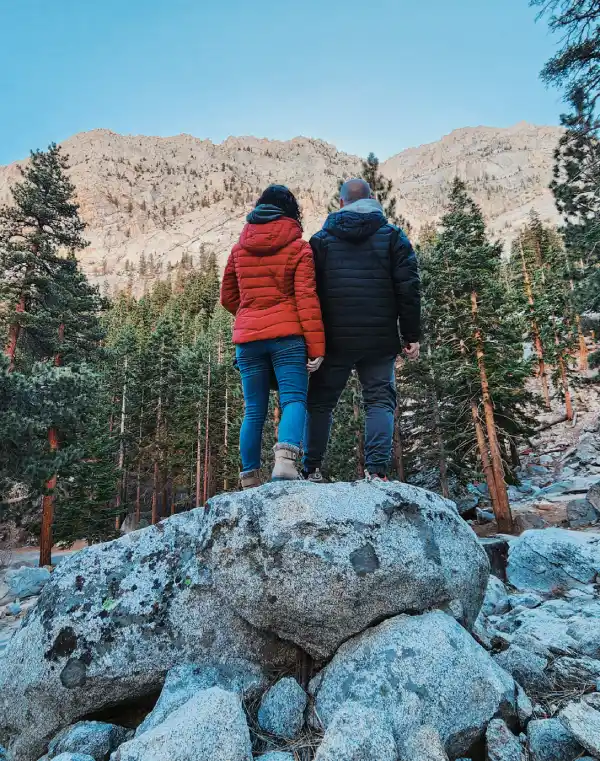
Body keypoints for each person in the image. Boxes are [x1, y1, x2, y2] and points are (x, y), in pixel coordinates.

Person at [303, 178, 421, 482]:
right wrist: (411, 336)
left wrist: (310, 341)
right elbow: (408, 288)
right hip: (379, 337)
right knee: (379, 400)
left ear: (341, 203)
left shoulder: (321, 240)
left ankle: (312, 468)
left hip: (334, 339)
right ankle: (376, 471)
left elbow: (308, 293)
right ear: (372, 199)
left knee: (320, 403)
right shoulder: (393, 236)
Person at [221, 185, 325, 488]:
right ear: (291, 212)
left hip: (248, 339)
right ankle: (285, 463)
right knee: (294, 398)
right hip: (288, 337)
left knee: (254, 408)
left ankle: (249, 476)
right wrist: (316, 347)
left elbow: (227, 296)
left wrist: (249, 314)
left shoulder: (239, 249)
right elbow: (307, 299)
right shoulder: (299, 247)